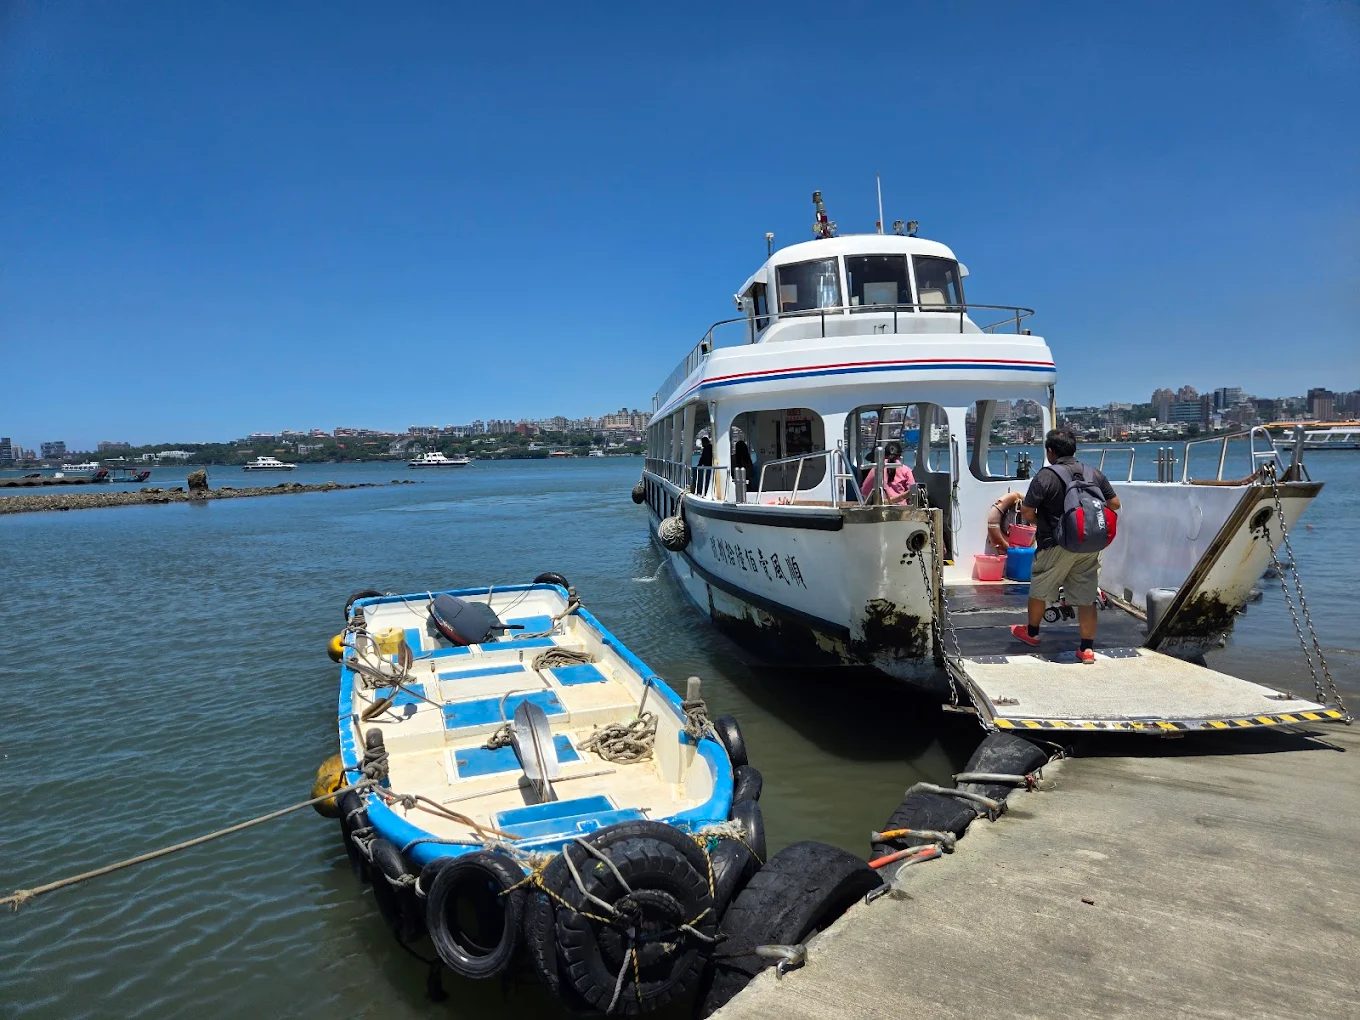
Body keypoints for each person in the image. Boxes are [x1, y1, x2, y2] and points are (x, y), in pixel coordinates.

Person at [1010, 429, 1121, 664]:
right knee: (1087, 596)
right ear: (1074, 449)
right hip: (1089, 543)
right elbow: (1114, 504)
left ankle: (1031, 633)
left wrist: (1047, 525)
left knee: (1039, 588)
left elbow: (1028, 511)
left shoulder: (1045, 476)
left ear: (1050, 451)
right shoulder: (1094, 473)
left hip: (1055, 543)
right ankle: (1087, 649)